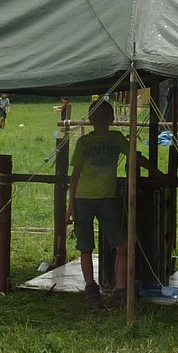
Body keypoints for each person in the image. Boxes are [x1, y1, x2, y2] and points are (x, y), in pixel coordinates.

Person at [68, 99, 129, 305]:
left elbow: (134, 156)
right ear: (90, 119)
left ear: (112, 119)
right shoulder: (83, 142)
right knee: (85, 246)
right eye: (96, 117)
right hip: (83, 199)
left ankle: (120, 289)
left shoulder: (117, 138)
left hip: (107, 199)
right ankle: (91, 287)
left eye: (104, 117)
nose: (100, 120)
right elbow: (75, 175)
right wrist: (70, 205)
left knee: (121, 245)